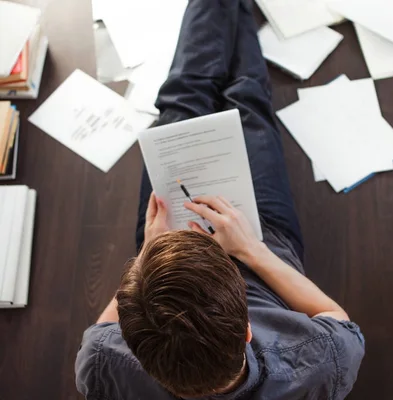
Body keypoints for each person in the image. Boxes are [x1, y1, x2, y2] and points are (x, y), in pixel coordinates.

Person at [74, 0, 365, 399]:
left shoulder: (102, 365)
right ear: (247, 331)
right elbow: (338, 320)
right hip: (263, 243)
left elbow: (100, 334)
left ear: (135, 350)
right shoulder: (316, 361)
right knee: (244, 101)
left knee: (186, 98)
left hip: (168, 250)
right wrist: (252, 249)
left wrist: (153, 252)